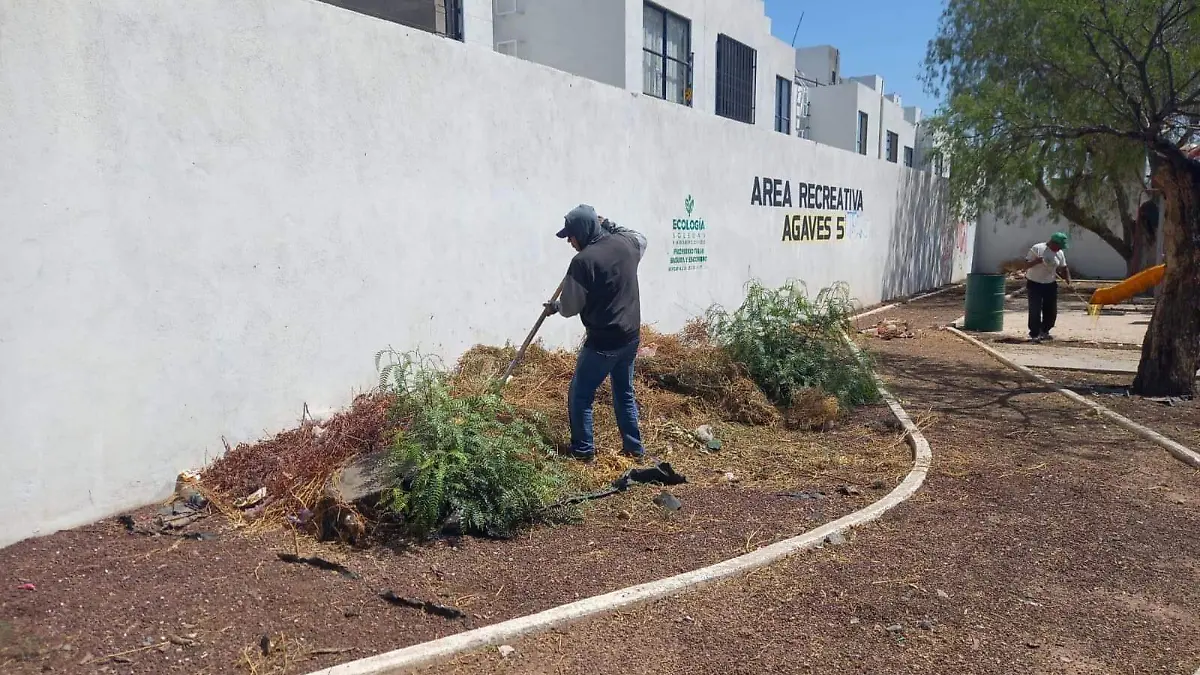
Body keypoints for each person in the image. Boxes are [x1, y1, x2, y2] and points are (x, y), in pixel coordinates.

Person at [542, 204, 648, 462]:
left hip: (603, 342)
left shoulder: (582, 262)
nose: (569, 240)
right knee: (624, 391)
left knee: (580, 395)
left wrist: (556, 307)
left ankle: (584, 451)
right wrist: (608, 224)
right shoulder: (626, 244)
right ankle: (634, 449)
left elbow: (570, 307)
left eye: (571, 235)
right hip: (630, 336)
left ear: (583, 231)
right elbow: (641, 238)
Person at [1021, 231, 1071, 341]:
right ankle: (1034, 333)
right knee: (1035, 309)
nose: (1059, 249)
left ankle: (1045, 330)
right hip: (1035, 283)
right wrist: (1036, 262)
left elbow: (1064, 267)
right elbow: (1025, 265)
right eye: (1059, 246)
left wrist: (1068, 280)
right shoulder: (1037, 249)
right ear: (1053, 242)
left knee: (1051, 311)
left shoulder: (1060, 253)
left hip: (1050, 284)